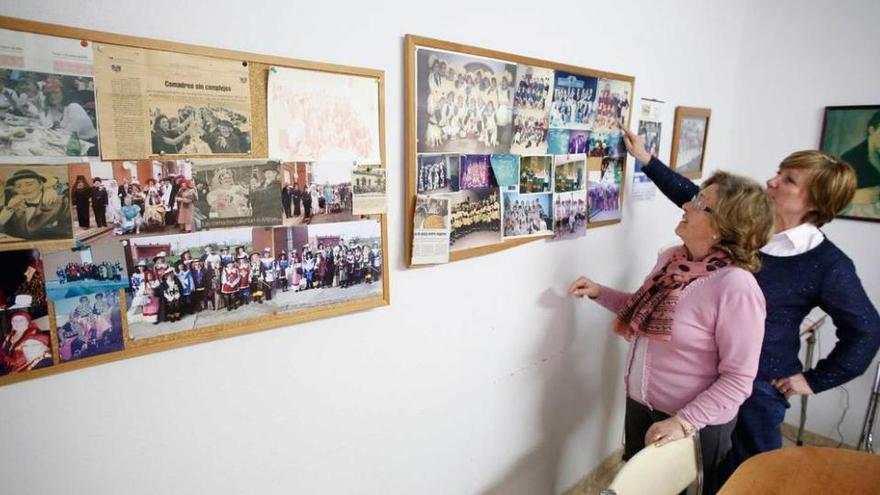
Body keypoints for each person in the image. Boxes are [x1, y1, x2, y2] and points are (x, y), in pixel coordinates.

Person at [620, 125, 880, 480]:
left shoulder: (828, 264)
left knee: (750, 475)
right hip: (700, 382)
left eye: (789, 180)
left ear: (816, 202)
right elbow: (696, 199)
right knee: (687, 474)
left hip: (757, 386)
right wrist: (647, 160)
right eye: (778, 173)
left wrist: (814, 380)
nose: (772, 182)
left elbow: (866, 330)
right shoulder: (745, 227)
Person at [570, 171, 774, 494]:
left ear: (723, 228)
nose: (688, 205)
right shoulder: (671, 260)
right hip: (641, 408)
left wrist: (683, 422)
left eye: (701, 203)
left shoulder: (736, 287)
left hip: (693, 424)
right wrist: (599, 292)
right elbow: (643, 311)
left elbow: (738, 379)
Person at [0, 169, 72, 240]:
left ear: (41, 185)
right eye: (19, 186)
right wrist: (9, 209)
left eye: (29, 184)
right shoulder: (14, 205)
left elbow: (70, 232)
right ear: (15, 190)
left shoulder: (61, 202)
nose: (24, 189)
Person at [39, 77, 98, 155]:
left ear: (63, 93)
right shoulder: (53, 109)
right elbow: (47, 126)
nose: (52, 96)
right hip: (69, 143)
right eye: (49, 94)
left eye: (56, 93)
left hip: (89, 146)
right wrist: (43, 110)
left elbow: (71, 136)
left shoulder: (74, 107)